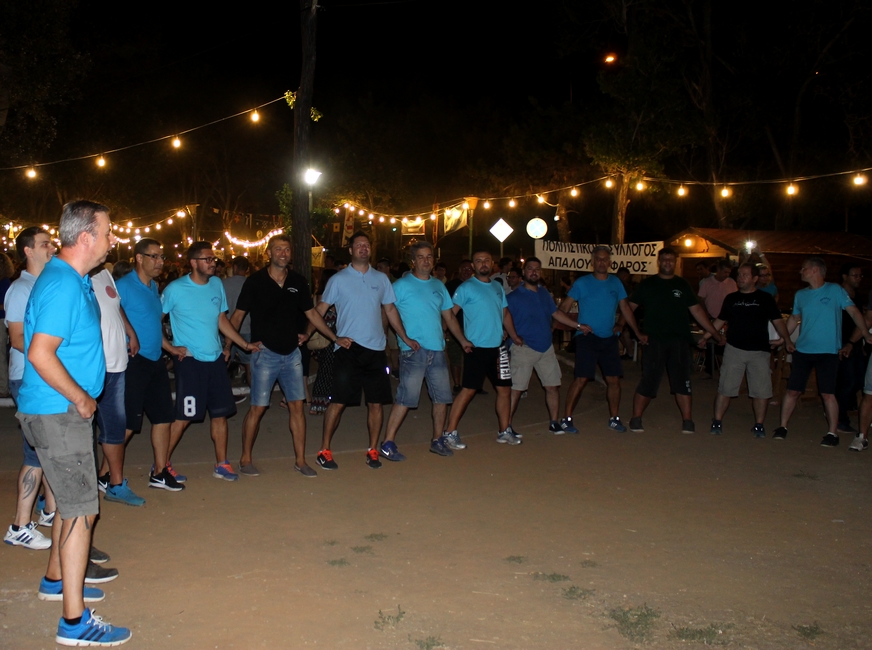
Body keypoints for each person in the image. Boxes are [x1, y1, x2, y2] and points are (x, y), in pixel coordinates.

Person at [16, 200, 131, 646]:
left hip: (56, 411)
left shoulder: (72, 278)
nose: (112, 239)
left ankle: (56, 581)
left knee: (69, 503)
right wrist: (82, 397)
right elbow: (39, 353)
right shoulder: (63, 283)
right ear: (85, 237)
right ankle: (74, 622)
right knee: (83, 509)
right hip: (59, 412)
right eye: (107, 231)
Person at [228, 234, 346, 477]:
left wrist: (333, 338)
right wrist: (231, 346)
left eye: (287, 250)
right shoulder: (255, 282)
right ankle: (245, 458)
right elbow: (237, 316)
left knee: (297, 407)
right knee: (258, 407)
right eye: (278, 249)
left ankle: (301, 461)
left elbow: (312, 314)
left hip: (292, 354)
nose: (283, 253)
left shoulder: (298, 281)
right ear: (269, 253)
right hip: (265, 354)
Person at [315, 231, 418, 470]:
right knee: (338, 401)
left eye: (367, 245)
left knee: (376, 402)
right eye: (359, 245)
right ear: (351, 250)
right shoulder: (339, 279)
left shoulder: (381, 279)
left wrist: (404, 337)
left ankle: (372, 449)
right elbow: (319, 310)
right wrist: (325, 336)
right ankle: (324, 450)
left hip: (376, 349)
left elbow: (390, 310)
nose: (363, 248)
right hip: (348, 349)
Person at [162, 242, 261, 481]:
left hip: (215, 359)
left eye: (213, 259)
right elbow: (153, 319)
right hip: (190, 361)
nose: (213, 263)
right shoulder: (175, 289)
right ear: (193, 262)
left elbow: (221, 319)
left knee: (220, 413)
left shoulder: (217, 284)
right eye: (207, 259)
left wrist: (242, 344)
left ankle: (222, 463)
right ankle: (161, 465)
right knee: (184, 417)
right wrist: (170, 348)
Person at [380, 241, 471, 460]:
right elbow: (387, 312)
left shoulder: (439, 286)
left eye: (429, 257)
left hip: (437, 349)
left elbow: (449, 317)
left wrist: (462, 340)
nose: (426, 261)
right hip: (413, 350)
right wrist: (402, 338)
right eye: (421, 257)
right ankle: (387, 442)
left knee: (442, 398)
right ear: (413, 261)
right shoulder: (401, 285)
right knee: (406, 397)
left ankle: (437, 440)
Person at [773, 257, 872, 446]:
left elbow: (854, 312)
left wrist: (865, 333)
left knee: (827, 393)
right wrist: (783, 338)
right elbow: (794, 319)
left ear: (815, 270)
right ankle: (782, 426)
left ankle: (832, 433)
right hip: (803, 350)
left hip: (828, 352)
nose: (801, 271)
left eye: (804, 268)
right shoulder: (801, 294)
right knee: (793, 390)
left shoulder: (835, 290)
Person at [116, 239, 188, 492]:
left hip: (155, 360)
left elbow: (152, 324)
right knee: (128, 423)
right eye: (154, 256)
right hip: (133, 360)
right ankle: (105, 474)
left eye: (161, 257)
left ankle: (159, 472)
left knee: (163, 418)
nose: (160, 262)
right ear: (139, 258)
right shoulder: (123, 286)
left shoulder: (154, 287)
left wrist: (170, 348)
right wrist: (129, 336)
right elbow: (109, 315)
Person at [627, 247, 725, 434]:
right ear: (659, 262)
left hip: (679, 341)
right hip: (654, 341)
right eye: (664, 259)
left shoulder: (682, 284)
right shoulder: (648, 284)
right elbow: (628, 308)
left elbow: (697, 310)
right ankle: (636, 418)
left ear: (675, 262)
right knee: (649, 380)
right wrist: (633, 331)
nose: (667, 263)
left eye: (671, 260)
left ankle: (688, 420)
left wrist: (714, 332)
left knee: (682, 380)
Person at [4, 228, 57, 550]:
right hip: (27, 376)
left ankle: (50, 510)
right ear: (28, 251)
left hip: (43, 375)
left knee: (46, 446)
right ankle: (19, 525)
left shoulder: (44, 284)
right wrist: (56, 357)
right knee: (35, 451)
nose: (52, 248)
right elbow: (16, 339)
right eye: (45, 244)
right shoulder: (20, 289)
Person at [558, 247, 648, 433]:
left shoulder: (616, 282)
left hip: (609, 338)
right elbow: (563, 309)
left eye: (605, 259)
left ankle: (614, 418)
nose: (601, 262)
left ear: (610, 263)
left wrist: (635, 332)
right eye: (598, 259)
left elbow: (625, 309)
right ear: (592, 262)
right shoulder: (582, 283)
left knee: (614, 380)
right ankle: (566, 418)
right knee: (582, 378)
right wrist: (575, 326)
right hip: (586, 337)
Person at [698, 263, 793, 437]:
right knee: (725, 387)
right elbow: (720, 320)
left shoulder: (765, 298)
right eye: (739, 275)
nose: (740, 278)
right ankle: (717, 421)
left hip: (759, 351)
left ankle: (759, 424)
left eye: (745, 275)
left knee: (761, 391)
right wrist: (705, 337)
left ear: (755, 278)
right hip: (734, 350)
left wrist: (786, 339)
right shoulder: (731, 298)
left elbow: (778, 321)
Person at [444, 250, 523, 446]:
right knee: (468, 390)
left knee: (504, 390)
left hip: (498, 348)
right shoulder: (466, 287)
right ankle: (449, 432)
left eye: (487, 260)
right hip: (476, 349)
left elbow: (505, 314)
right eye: (479, 261)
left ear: (492, 263)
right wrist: (457, 338)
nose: (483, 263)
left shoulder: (497, 287)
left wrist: (513, 335)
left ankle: (504, 430)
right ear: (473, 265)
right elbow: (450, 315)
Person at [507, 257, 587, 433]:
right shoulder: (513, 297)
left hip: (546, 348)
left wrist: (578, 326)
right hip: (523, 349)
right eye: (530, 269)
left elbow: (556, 313)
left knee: (552, 386)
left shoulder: (544, 293)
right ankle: (506, 426)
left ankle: (554, 422)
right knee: (516, 389)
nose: (534, 272)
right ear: (524, 272)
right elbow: (503, 318)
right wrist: (513, 336)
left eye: (537, 269)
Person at [91, 263, 145, 507]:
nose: (111, 245)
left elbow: (115, 304)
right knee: (77, 431)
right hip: (91, 367)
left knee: (115, 428)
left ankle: (115, 484)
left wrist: (130, 331)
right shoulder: (74, 275)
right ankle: (54, 494)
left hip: (116, 365)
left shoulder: (104, 273)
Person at [834, 263, 865, 434]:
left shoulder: (857, 296)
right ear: (845, 276)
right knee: (848, 381)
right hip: (842, 344)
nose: (858, 279)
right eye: (855, 275)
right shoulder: (838, 294)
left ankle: (840, 410)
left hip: (855, 344)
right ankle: (840, 419)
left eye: (860, 276)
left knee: (859, 380)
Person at [698, 259, 737, 377]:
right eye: (725, 272)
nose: (727, 275)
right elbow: (701, 300)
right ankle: (709, 369)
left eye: (728, 272)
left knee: (726, 342)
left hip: (727, 319)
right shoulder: (706, 282)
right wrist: (705, 314)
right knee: (711, 343)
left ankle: (725, 368)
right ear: (718, 270)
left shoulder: (731, 283)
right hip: (711, 317)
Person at [222, 256, 252, 388]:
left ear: (234, 267)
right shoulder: (251, 284)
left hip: (226, 328)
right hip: (246, 328)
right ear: (247, 269)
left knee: (223, 362)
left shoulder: (223, 284)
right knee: (249, 366)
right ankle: (255, 395)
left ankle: (221, 392)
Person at [445, 259, 474, 393]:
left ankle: (472, 384)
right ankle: (457, 384)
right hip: (455, 327)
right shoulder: (450, 286)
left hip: (473, 327)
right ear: (459, 270)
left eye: (469, 269)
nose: (467, 271)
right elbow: (445, 308)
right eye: (464, 269)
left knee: (473, 358)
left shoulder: (476, 285)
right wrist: (445, 327)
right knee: (455, 356)